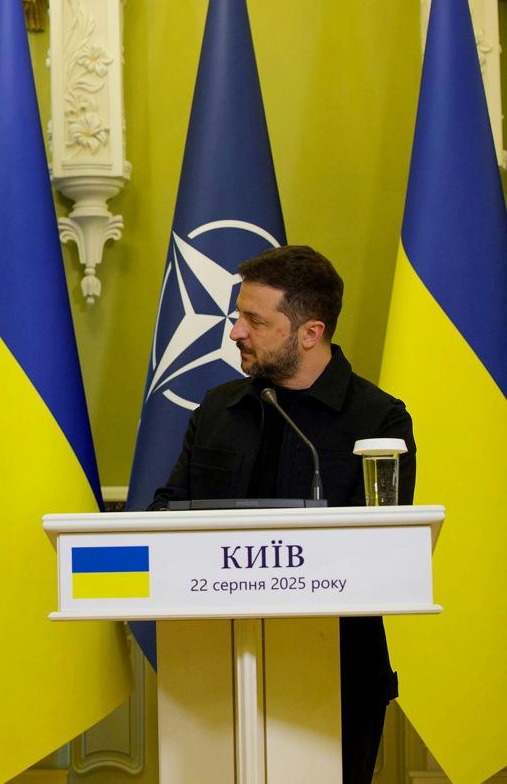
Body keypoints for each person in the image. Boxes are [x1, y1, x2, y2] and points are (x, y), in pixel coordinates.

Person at [151, 244, 416, 784]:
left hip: (340, 674)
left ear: (310, 333)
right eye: (237, 316)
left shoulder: (379, 419)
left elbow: (386, 552)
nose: (235, 332)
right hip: (211, 667)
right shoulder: (219, 409)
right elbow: (166, 514)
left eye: (254, 320)